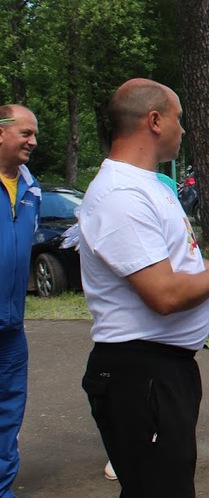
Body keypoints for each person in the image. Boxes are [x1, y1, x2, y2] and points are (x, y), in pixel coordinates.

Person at [78, 78, 209, 497]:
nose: (183, 130)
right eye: (178, 119)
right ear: (153, 121)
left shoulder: (148, 186)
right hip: (139, 374)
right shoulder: (120, 195)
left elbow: (179, 264)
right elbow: (164, 294)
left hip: (161, 371)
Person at [0, 104, 39, 496]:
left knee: (9, 413)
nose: (33, 141)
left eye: (34, 135)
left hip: (12, 325)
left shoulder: (31, 188)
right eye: (26, 133)